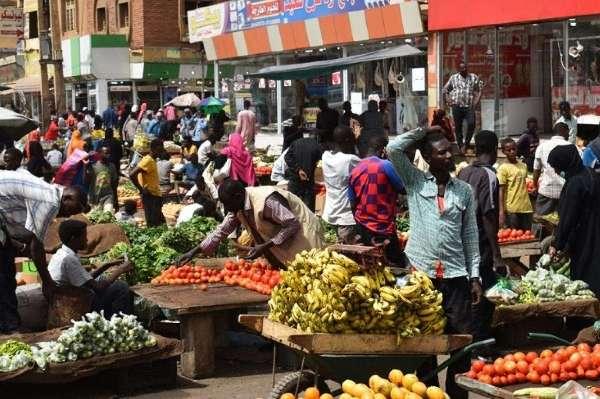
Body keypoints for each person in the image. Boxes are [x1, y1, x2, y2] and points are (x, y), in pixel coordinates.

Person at [387, 127, 481, 399]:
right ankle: (430, 394)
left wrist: (474, 277)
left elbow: (470, 235)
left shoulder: (463, 191)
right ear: (428, 157)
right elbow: (394, 148)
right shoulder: (415, 182)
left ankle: (457, 393)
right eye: (442, 152)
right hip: (421, 275)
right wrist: (423, 132)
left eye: (449, 150)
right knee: (423, 343)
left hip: (455, 276)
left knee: (462, 344)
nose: (449, 155)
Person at [0, 173, 88, 333]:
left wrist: (26, 248)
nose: (68, 215)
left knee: (7, 272)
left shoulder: (50, 192)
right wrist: (47, 281)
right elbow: (35, 243)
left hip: (3, 220)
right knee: (4, 277)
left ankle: (9, 323)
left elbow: (29, 238)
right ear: (67, 198)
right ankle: (9, 328)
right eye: (71, 210)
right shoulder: (50, 202)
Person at [178, 180, 325, 268]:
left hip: (304, 235)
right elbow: (221, 231)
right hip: (287, 241)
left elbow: (292, 224)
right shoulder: (238, 206)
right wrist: (195, 251)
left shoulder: (267, 201)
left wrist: (265, 246)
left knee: (310, 271)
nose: (228, 209)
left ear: (238, 196)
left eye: (228, 204)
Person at [458, 130, 505, 341]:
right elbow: (488, 216)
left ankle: (473, 339)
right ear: (494, 150)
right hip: (479, 244)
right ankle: (479, 344)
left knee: (470, 290)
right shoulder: (489, 175)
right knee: (484, 295)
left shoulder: (464, 172)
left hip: (460, 242)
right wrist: (497, 255)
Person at [48, 219, 133, 318]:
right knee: (121, 287)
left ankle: (109, 317)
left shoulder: (62, 253)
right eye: (84, 237)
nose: (87, 240)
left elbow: (86, 279)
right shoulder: (69, 259)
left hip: (71, 295)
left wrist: (106, 265)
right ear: (73, 239)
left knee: (102, 278)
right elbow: (98, 288)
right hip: (74, 304)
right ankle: (120, 322)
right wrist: (121, 270)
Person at [549, 145, 600, 296]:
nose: (556, 171)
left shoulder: (574, 183)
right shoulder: (592, 174)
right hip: (595, 228)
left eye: (556, 167)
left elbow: (568, 218)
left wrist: (557, 244)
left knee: (586, 273)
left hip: (585, 235)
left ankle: (585, 313)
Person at [349, 136, 404, 264]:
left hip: (363, 227)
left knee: (370, 266)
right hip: (384, 228)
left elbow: (352, 204)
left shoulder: (355, 171)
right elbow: (403, 188)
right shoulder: (386, 165)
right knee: (395, 266)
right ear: (383, 150)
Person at [322, 126, 360, 244]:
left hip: (331, 211)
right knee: (349, 253)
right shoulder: (350, 159)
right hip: (346, 214)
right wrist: (356, 144)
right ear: (348, 141)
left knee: (340, 247)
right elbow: (368, 165)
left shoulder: (326, 156)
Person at [533, 122, 573, 215]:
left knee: (542, 222)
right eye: (568, 132)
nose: (569, 135)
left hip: (546, 191)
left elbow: (536, 169)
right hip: (565, 193)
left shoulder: (542, 146)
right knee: (563, 223)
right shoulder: (573, 148)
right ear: (565, 131)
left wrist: (535, 185)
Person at [443, 61, 483, 153]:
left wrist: (476, 101)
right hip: (457, 106)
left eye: (465, 68)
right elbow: (445, 89)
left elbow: (480, 89)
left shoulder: (473, 77)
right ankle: (461, 145)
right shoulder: (453, 78)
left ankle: (467, 143)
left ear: (467, 68)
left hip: (469, 106)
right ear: (459, 69)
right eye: (461, 68)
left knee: (471, 124)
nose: (463, 70)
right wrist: (448, 99)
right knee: (458, 126)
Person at [498, 138, 533, 229]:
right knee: (514, 237)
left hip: (526, 208)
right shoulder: (503, 168)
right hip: (512, 209)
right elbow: (501, 191)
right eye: (509, 150)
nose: (512, 152)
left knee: (527, 235)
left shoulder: (523, 165)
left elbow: (522, 185)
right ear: (503, 152)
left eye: (514, 149)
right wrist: (501, 211)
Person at [129, 139, 165, 227]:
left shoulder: (152, 160)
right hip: (151, 196)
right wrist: (141, 189)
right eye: (160, 150)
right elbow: (132, 174)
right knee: (154, 224)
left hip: (155, 195)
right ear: (154, 149)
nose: (161, 152)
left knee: (159, 223)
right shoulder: (147, 160)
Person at [285, 135, 323, 211]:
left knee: (292, 205)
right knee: (308, 208)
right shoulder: (317, 145)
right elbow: (321, 159)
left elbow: (287, 157)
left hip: (295, 178)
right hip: (308, 179)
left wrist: (298, 170)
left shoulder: (295, 143)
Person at [89, 146, 118, 212]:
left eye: (109, 153)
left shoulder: (112, 166)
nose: (108, 155)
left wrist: (116, 200)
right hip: (94, 198)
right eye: (105, 153)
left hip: (108, 196)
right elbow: (86, 181)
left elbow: (114, 184)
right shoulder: (93, 167)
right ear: (99, 154)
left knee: (107, 215)